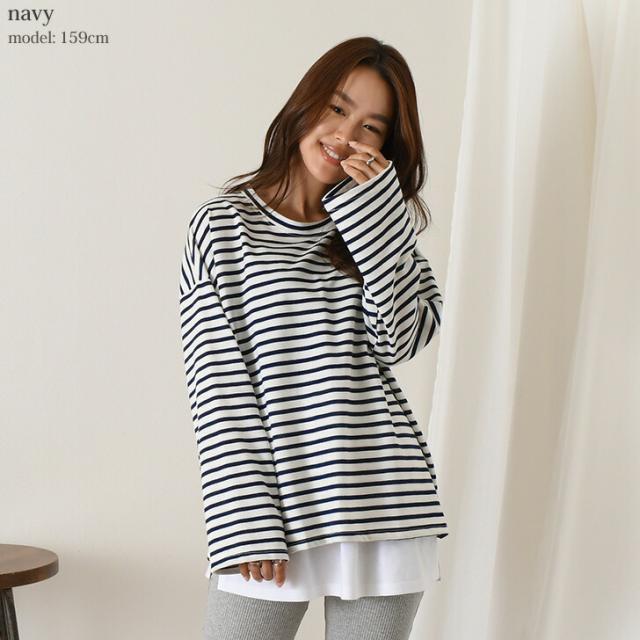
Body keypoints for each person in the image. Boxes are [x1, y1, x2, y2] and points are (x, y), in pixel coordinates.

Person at [178, 36, 448, 640]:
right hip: (272, 512)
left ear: (386, 148)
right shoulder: (222, 225)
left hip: (385, 503)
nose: (347, 134)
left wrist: (375, 217)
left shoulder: (381, 227)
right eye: (337, 108)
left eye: (371, 127)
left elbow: (401, 341)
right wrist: (245, 516)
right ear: (305, 105)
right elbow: (216, 381)